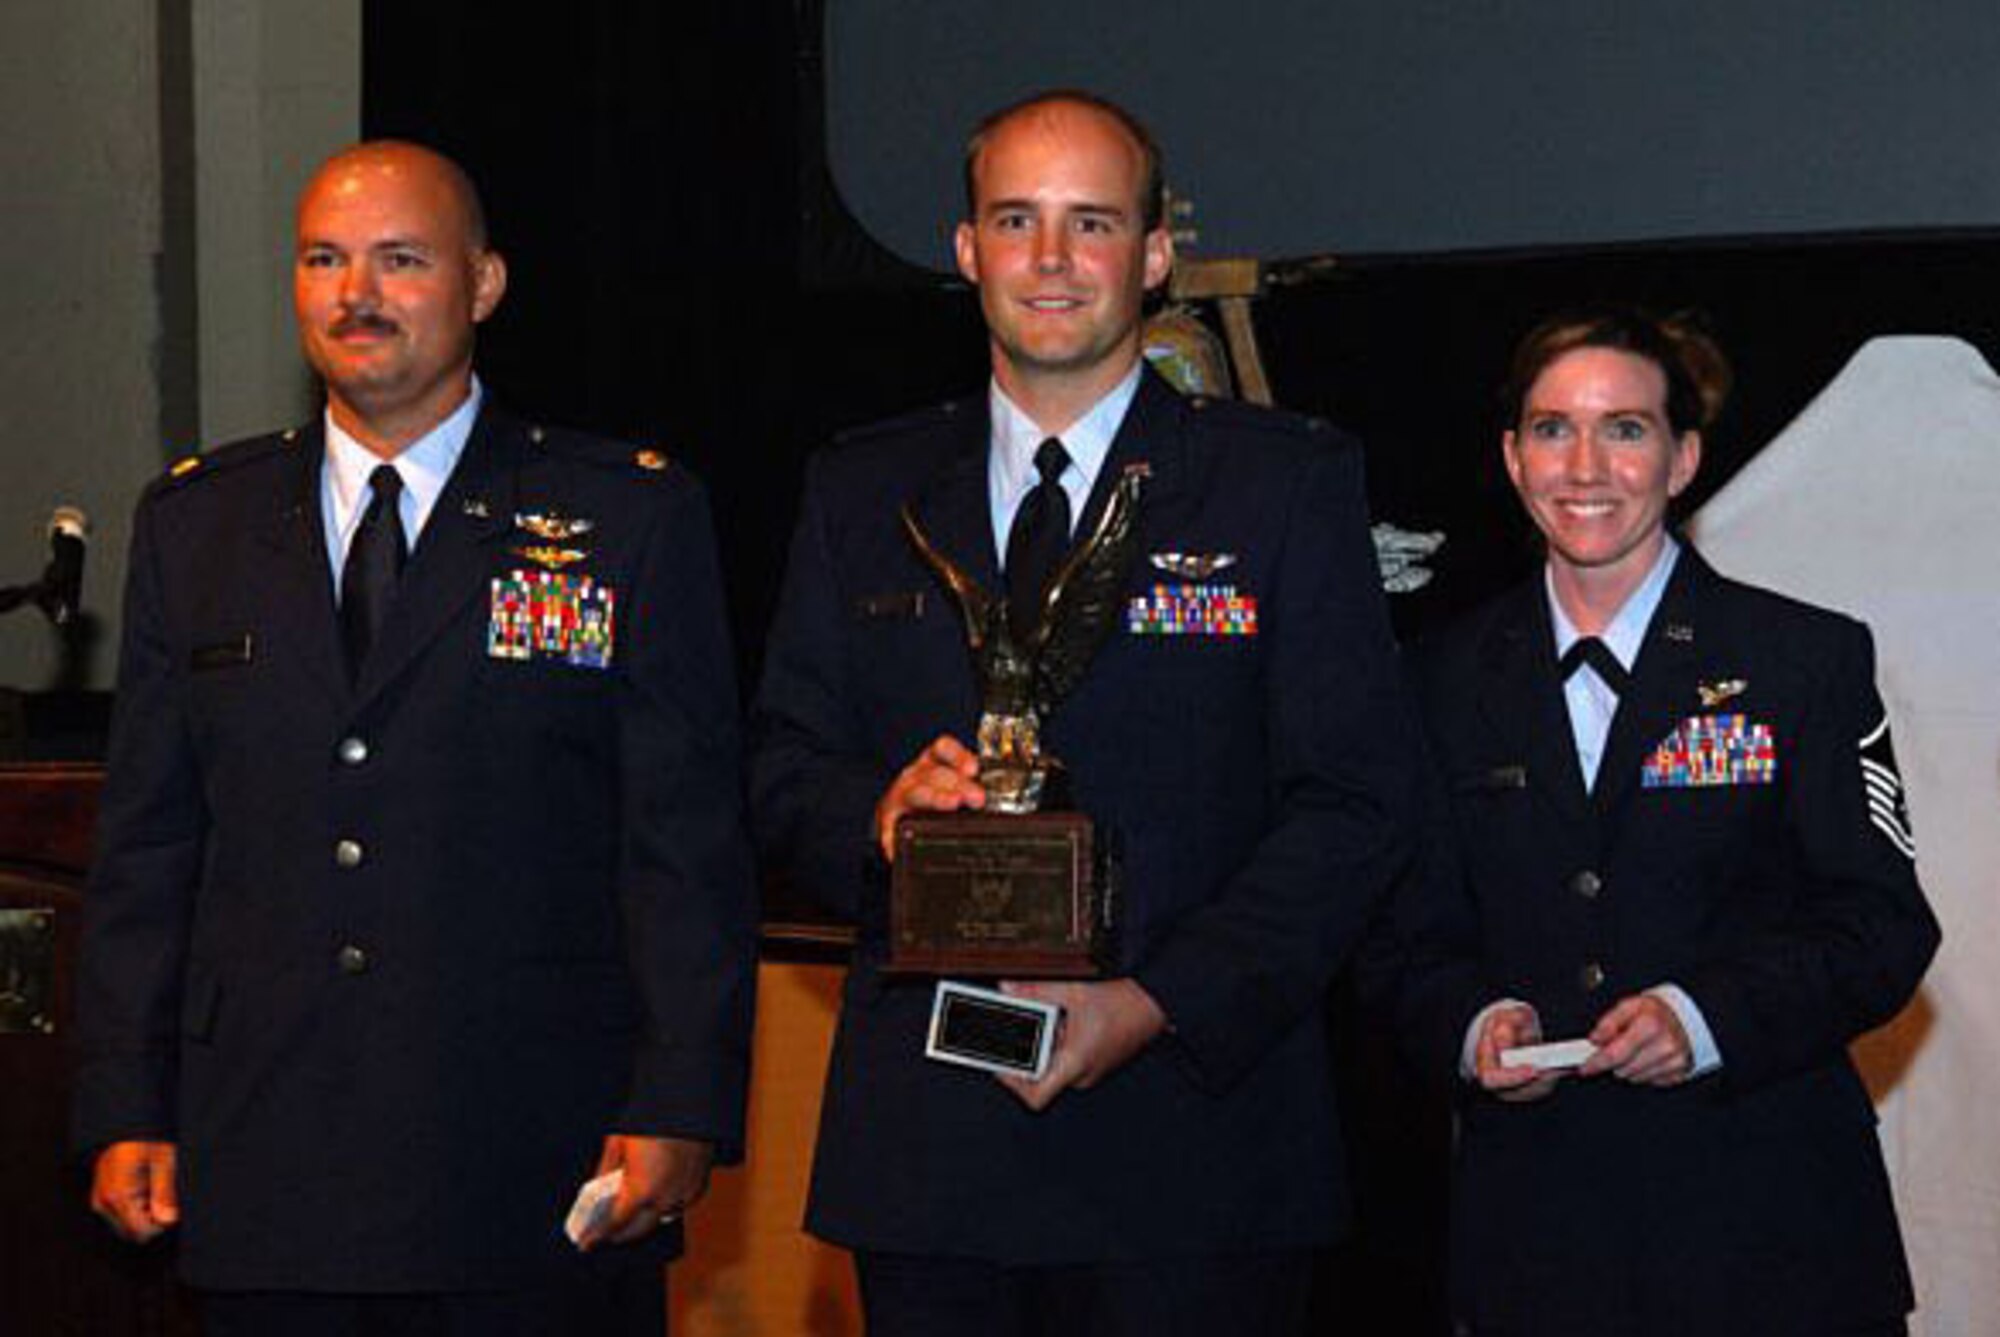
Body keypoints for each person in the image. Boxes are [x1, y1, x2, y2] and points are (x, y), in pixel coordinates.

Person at [749, 90, 1418, 1335]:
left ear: (1155, 254)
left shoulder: (1279, 481)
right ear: (965, 251)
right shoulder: (860, 487)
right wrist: (876, 815)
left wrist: (1158, 1000)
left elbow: (1358, 801)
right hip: (932, 1161)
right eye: (1015, 219)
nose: (1050, 261)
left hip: (1196, 1152)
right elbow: (783, 770)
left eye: (1090, 223)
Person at [72, 140, 756, 1336]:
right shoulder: (198, 525)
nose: (356, 295)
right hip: (265, 1153)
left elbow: (682, 845)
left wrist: (682, 1101)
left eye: (399, 260)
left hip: (528, 1155)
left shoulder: (626, 517)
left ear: (483, 284)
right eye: (324, 260)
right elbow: (148, 848)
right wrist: (125, 1098)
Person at [1388, 307, 1940, 1335]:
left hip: (1773, 1232)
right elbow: (1398, 936)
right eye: (1552, 429)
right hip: (1537, 1244)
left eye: (1625, 428)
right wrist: (1468, 1025)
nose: (1585, 465)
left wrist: (1702, 1016)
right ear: (1509, 458)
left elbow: (1881, 927)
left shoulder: (1802, 662)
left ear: (1681, 457)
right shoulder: (1435, 680)